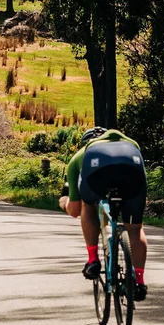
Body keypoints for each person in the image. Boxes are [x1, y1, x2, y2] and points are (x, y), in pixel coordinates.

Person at [60, 126, 149, 301]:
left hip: (97, 167)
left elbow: (75, 209)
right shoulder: (131, 143)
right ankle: (139, 282)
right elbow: (142, 194)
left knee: (87, 206)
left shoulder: (81, 154)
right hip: (131, 165)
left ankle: (93, 260)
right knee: (135, 228)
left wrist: (64, 202)